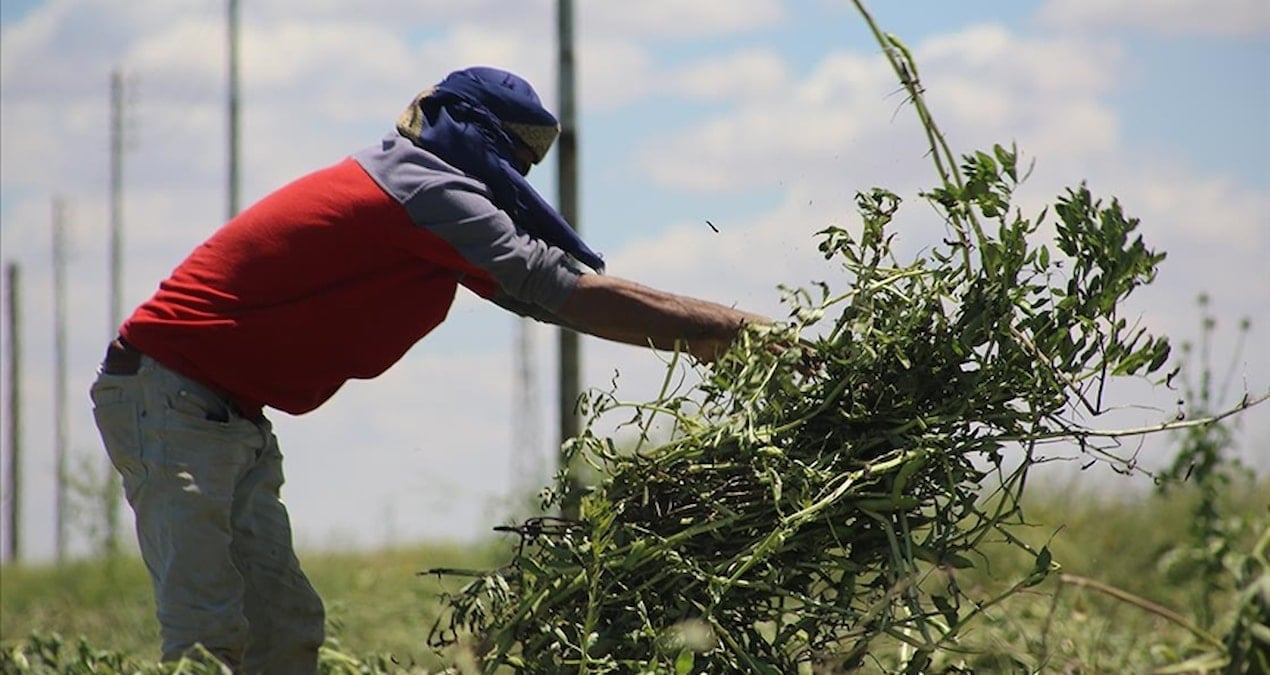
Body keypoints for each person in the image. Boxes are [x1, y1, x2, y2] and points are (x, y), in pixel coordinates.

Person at [89, 66, 767, 674]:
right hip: (170, 396)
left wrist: (700, 338)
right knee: (207, 640)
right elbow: (550, 283)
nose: (517, 179)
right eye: (514, 158)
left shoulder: (430, 198)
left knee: (286, 632)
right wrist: (734, 331)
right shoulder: (419, 186)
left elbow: (545, 299)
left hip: (224, 415)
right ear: (477, 136)